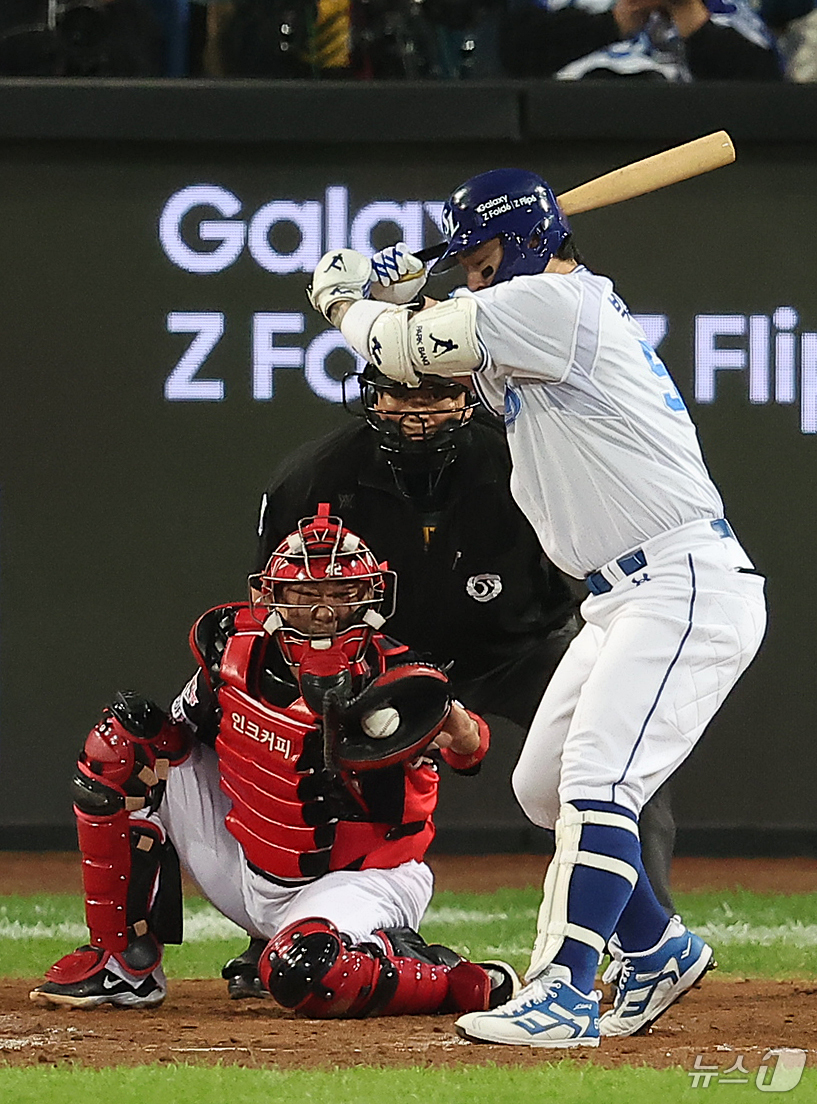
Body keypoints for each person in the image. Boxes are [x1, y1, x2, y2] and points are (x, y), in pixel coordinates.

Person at [305, 168, 767, 1047]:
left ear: (519, 244)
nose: (474, 276)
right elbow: (436, 359)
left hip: (681, 581)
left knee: (598, 783)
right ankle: (657, 946)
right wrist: (410, 287)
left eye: (480, 259)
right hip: (619, 596)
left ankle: (564, 988)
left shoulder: (558, 306)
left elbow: (405, 351)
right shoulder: (531, 319)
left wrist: (343, 298)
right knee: (543, 787)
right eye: (466, 264)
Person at [30, 506, 517, 1018]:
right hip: (247, 863)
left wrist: (455, 723)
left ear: (372, 599)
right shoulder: (234, 655)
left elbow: (472, 751)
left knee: (304, 973)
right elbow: (175, 740)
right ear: (272, 598)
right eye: (306, 596)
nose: (324, 613)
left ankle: (462, 980)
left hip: (360, 878)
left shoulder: (397, 677)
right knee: (123, 744)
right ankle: (122, 962)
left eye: (340, 595)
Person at [498, 0, 783, 79]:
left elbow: (767, 90)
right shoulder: (552, 9)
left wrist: (692, 20)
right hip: (572, 129)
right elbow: (515, 56)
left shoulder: (718, 7)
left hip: (687, 136)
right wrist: (615, 22)